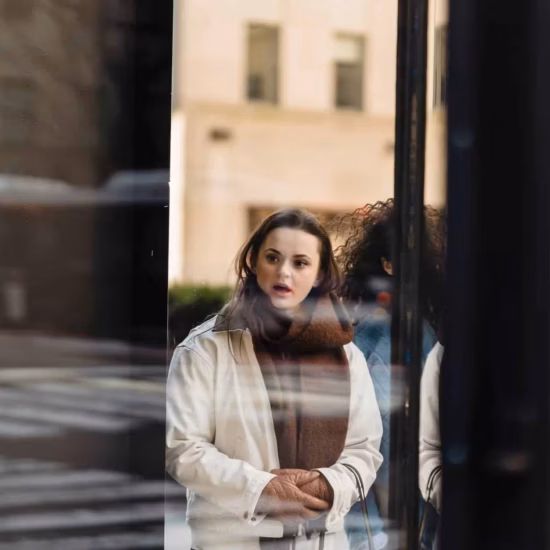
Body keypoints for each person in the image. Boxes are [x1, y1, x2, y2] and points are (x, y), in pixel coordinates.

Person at [166, 209, 383, 550]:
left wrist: (326, 484)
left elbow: (364, 449)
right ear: (253, 260)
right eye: (273, 257)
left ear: (319, 274)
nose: (284, 272)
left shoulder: (346, 354)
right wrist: (262, 489)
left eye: (300, 263)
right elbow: (183, 449)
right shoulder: (205, 348)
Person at [333, 199, 446, 549]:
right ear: (386, 264)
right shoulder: (370, 331)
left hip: (406, 478)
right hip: (384, 476)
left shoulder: (425, 328)